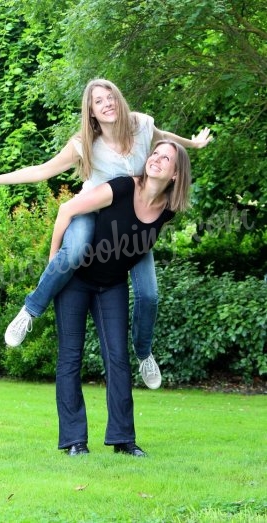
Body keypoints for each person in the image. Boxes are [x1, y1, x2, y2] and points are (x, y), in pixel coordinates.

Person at [0, 78, 212, 389]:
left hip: (131, 223)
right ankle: (30, 310)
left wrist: (193, 144)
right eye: (98, 101)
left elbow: (165, 140)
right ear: (91, 112)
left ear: (119, 99)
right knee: (74, 252)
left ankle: (144, 352)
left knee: (149, 294)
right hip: (92, 213)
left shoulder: (142, 125)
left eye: (110, 97)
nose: (106, 103)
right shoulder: (83, 144)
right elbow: (41, 171)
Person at [52, 140, 191, 456]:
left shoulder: (167, 211)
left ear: (175, 174)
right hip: (75, 281)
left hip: (111, 286)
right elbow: (71, 210)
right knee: (70, 357)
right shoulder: (124, 186)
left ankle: (123, 439)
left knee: (118, 359)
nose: (155, 158)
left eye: (165, 157)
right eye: (154, 152)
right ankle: (74, 440)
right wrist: (55, 261)